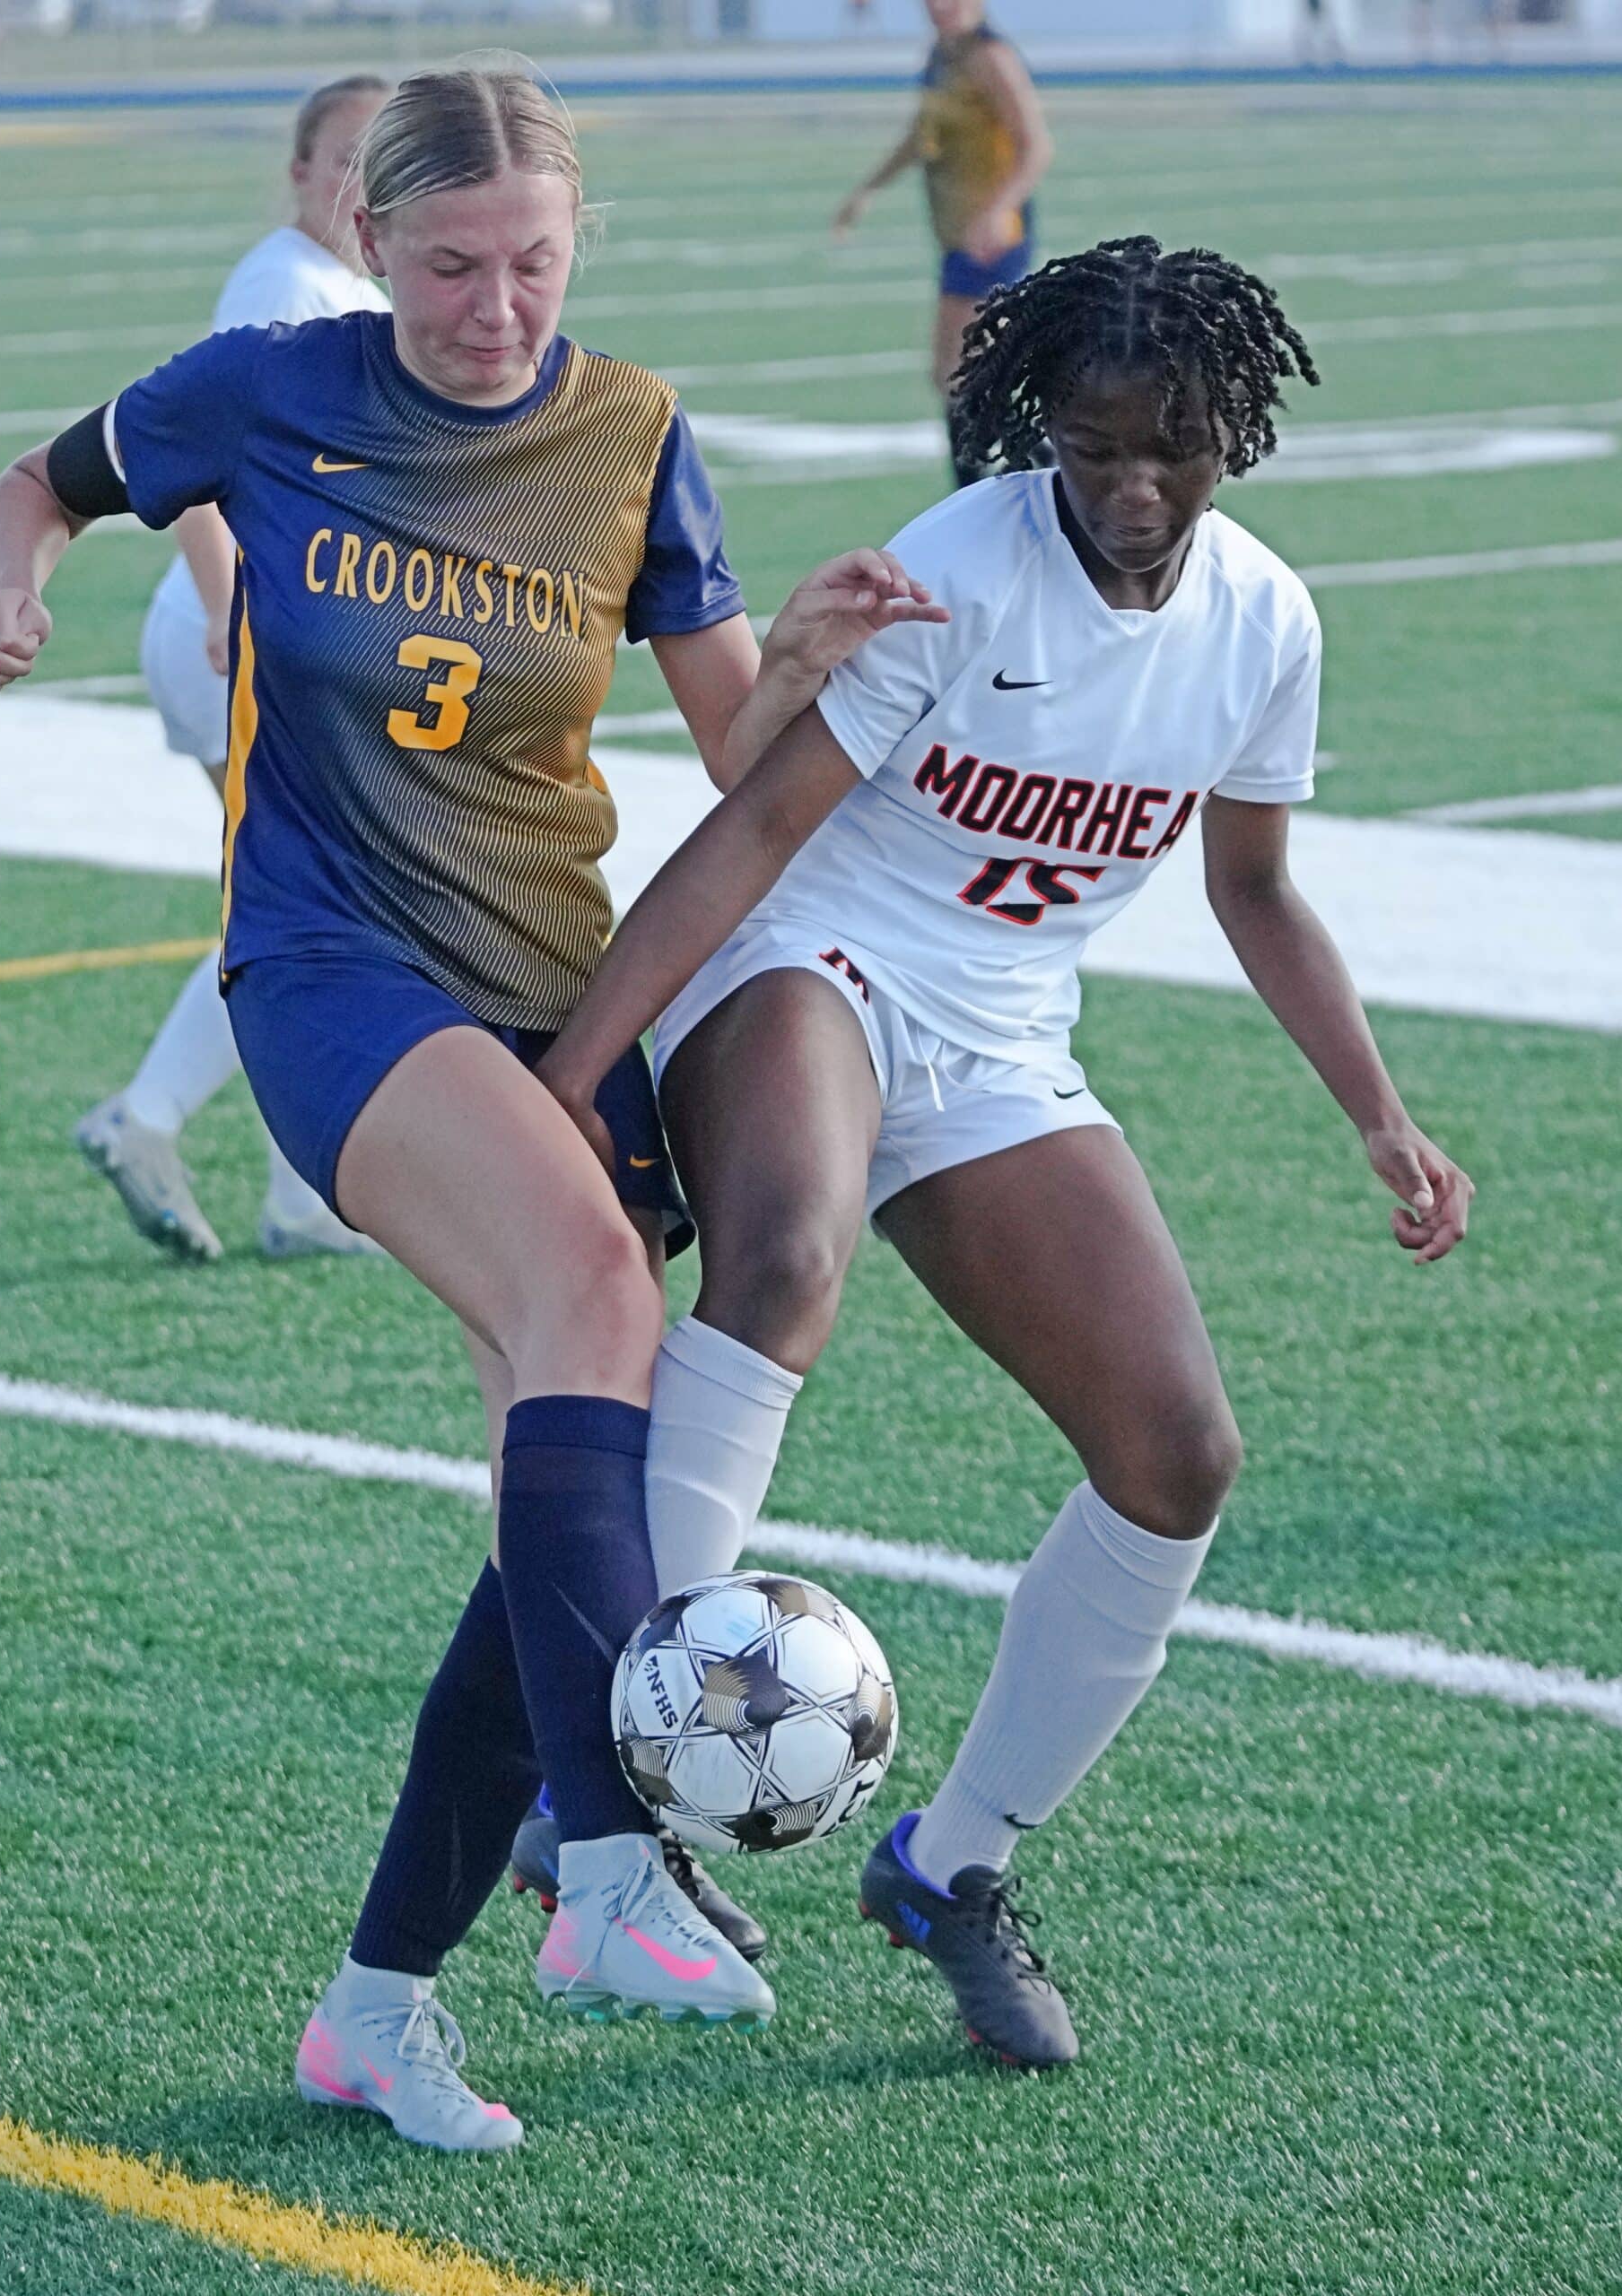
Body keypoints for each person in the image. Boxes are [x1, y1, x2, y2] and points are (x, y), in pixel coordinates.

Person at [0, 63, 940, 2153]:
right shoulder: (264, 386)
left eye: (533, 265)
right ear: (371, 242)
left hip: (543, 987)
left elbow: (731, 739)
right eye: (451, 267)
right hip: (323, 968)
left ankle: (375, 2004)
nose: (495, 308)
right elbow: (38, 478)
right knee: (595, 1290)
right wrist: (7, 581)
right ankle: (609, 1863)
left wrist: (808, 651)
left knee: (555, 1501)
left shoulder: (631, 432)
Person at [533, 237, 1474, 2072]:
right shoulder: (955, 571)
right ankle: (613, 1791)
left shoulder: (1262, 623)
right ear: (1037, 427)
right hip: (807, 957)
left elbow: (1253, 888)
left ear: (1232, 434)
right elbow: (753, 835)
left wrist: (1376, 1109)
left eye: (1170, 449)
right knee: (785, 1258)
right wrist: (580, 1067)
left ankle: (951, 1867)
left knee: (1176, 1450)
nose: (1129, 488)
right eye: (1092, 447)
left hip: (997, 1036)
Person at [75, 74, 392, 1266]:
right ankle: (151, 1118)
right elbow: (195, 454)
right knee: (310, 905)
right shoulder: (287, 285)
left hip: (264, 635)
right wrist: (230, 611)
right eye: (345, 157)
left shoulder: (347, 287)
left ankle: (295, 1193)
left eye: (385, 160)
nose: (362, 182)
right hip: (235, 638)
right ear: (300, 173)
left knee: (308, 904)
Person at [832, 0, 1052, 489]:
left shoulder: (991, 57)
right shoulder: (943, 54)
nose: (938, 7)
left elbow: (1035, 146)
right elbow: (921, 135)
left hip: (992, 238)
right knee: (962, 373)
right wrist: (869, 190)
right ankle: (1043, 464)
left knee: (957, 371)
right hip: (957, 235)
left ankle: (985, 486)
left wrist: (996, 211)